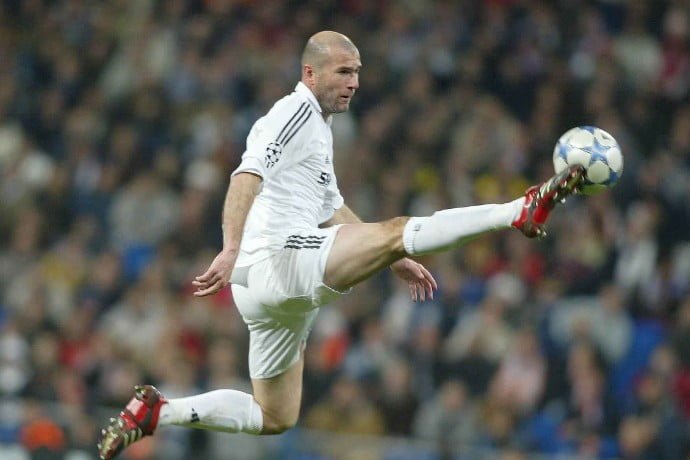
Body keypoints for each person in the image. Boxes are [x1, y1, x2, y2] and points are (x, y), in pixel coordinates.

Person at [97, 31, 584, 459]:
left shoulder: (319, 128)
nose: (354, 82)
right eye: (343, 72)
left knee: (274, 415)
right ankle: (517, 211)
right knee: (398, 228)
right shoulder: (293, 113)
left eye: (357, 72)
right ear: (310, 73)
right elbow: (245, 176)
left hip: (270, 292)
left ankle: (159, 411)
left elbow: (332, 207)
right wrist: (229, 247)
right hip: (277, 257)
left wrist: (391, 258)